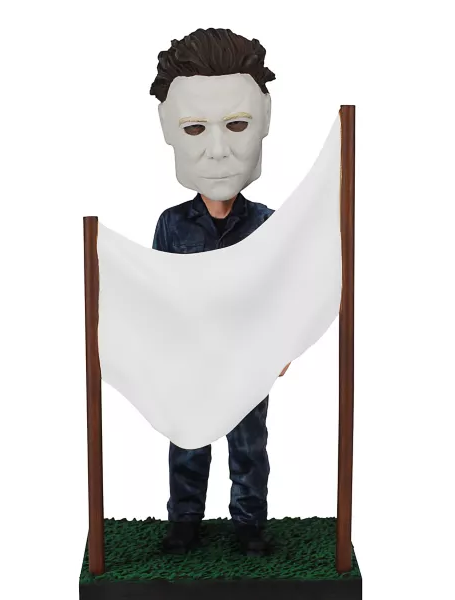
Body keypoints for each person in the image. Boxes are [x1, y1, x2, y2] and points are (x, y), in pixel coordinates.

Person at [150, 28, 290, 556]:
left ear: (264, 119)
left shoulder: (267, 223)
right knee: (188, 440)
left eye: (236, 124)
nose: (217, 150)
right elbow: (158, 291)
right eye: (194, 127)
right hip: (191, 359)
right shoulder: (171, 224)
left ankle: (249, 525)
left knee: (249, 445)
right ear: (168, 128)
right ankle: (184, 521)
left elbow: (283, 294)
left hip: (247, 360)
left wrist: (280, 348)